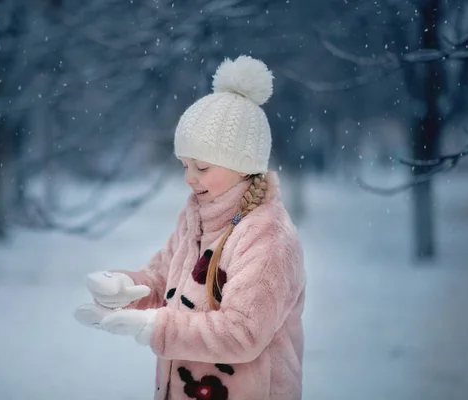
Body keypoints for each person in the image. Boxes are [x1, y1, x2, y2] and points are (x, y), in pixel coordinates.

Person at [74, 55, 306, 400]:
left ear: (243, 166)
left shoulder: (267, 236)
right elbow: (162, 279)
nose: (189, 178)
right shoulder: (197, 216)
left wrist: (156, 328)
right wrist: (126, 289)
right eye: (184, 164)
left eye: (201, 166)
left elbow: (242, 333)